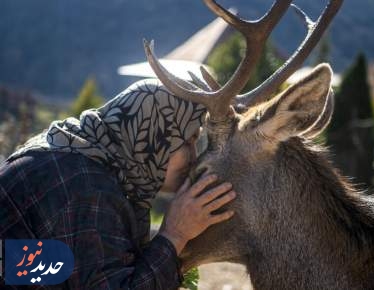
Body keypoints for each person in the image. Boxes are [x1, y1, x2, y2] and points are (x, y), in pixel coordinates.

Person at [0, 79, 237, 289]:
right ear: (153, 136)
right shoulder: (87, 186)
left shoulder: (76, 153)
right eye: (187, 142)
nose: (194, 157)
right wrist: (175, 235)